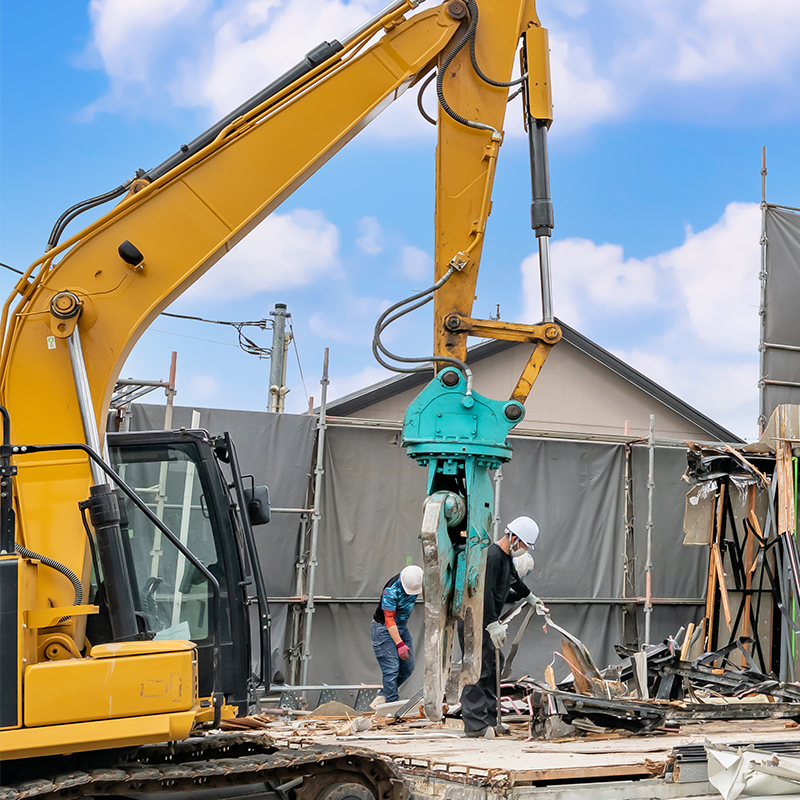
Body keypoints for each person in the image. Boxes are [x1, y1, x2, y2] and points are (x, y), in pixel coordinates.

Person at [460, 515, 547, 738]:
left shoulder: (505, 558)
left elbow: (515, 581)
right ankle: (475, 724)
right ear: (515, 538)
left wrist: (531, 597)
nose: (525, 549)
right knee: (477, 669)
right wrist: (491, 623)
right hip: (475, 622)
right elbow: (486, 593)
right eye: (525, 545)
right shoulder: (492, 557)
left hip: (485, 622)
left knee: (492, 667)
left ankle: (489, 719)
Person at [371, 564, 424, 706]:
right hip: (383, 629)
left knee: (408, 666)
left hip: (401, 626)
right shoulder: (391, 590)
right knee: (391, 669)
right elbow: (389, 619)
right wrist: (400, 643)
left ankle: (384, 694)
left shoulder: (418, 578)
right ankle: (391, 705)